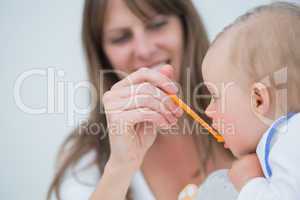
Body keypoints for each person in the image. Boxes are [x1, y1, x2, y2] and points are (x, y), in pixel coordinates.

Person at [47, 0, 234, 199]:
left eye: (157, 25)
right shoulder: (86, 164)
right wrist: (121, 165)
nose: (144, 50)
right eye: (121, 38)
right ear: (101, 53)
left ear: (185, 26)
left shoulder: (249, 107)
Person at [201, 2, 300, 200]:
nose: (208, 111)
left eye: (216, 97)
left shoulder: (291, 140)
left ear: (258, 100)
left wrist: (249, 183)